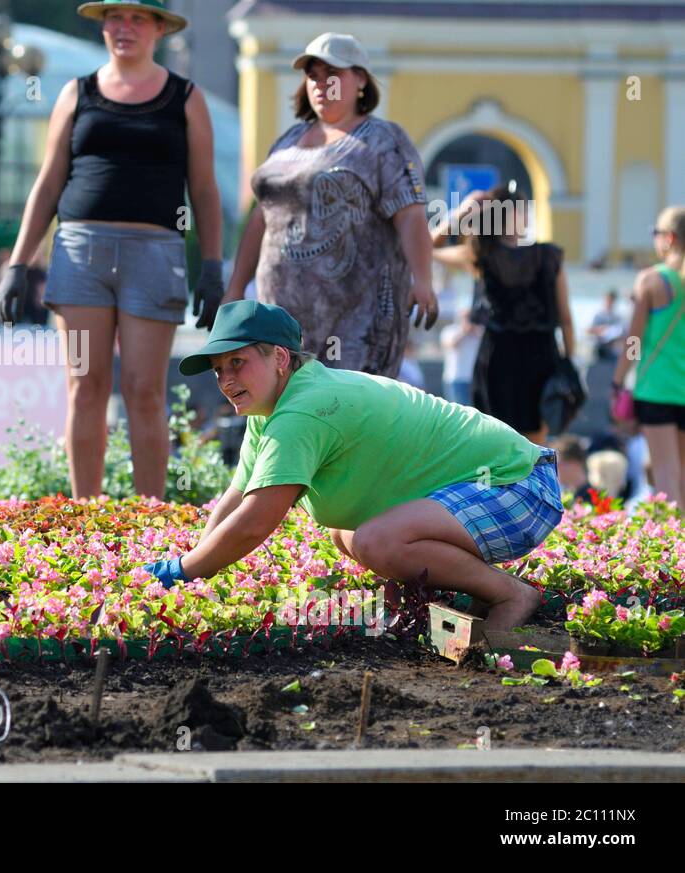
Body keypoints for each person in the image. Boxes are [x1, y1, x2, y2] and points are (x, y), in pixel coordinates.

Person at [143, 300, 563, 634]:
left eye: (238, 362)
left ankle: (510, 595)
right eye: (219, 369)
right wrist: (193, 561)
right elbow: (236, 499)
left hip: (520, 486)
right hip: (495, 487)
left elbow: (256, 521)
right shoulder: (270, 409)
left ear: (281, 359)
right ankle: (430, 599)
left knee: (377, 541)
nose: (226, 380)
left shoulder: (303, 412)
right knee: (347, 533)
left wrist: (183, 571)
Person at [0, 0, 224, 499]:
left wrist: (212, 267)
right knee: (84, 387)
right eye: (115, 16)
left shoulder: (186, 98)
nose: (125, 27)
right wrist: (17, 263)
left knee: (145, 390)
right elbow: (49, 182)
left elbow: (205, 190)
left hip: (155, 253)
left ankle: (148, 515)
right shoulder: (77, 93)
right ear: (103, 26)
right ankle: (86, 514)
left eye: (137, 18)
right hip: (79, 253)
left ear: (159, 29)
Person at [223, 32, 438, 377]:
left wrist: (423, 279)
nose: (322, 84)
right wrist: (235, 288)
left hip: (356, 321)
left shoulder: (383, 141)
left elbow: (410, 214)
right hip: (280, 314)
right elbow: (262, 219)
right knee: (287, 408)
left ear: (361, 80)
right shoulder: (288, 142)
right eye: (313, 76)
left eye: (332, 75)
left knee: (345, 412)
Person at [434, 184, 576, 444]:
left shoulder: (479, 255)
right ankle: (531, 486)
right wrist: (569, 365)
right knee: (534, 446)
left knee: (496, 442)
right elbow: (566, 320)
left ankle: (500, 485)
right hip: (542, 356)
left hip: (497, 357)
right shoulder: (549, 257)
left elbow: (429, 248)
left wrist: (458, 214)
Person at [611, 206, 685, 507]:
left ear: (668, 238)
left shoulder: (652, 280)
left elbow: (633, 341)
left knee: (666, 473)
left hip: (656, 389)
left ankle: (676, 547)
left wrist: (618, 381)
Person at [439, 306, 483, 405]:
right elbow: (450, 344)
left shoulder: (479, 332)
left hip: (475, 380)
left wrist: (476, 332)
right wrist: (464, 332)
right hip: (456, 379)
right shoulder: (451, 330)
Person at [552, 434, 592, 505]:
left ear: (575, 464)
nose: (554, 469)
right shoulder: (565, 495)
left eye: (558, 464)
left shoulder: (594, 498)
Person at [587, 289, 624, 362]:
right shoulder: (597, 314)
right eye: (608, 300)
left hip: (612, 350)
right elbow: (587, 329)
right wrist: (601, 330)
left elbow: (621, 333)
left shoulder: (618, 316)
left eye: (611, 300)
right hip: (598, 349)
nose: (609, 302)